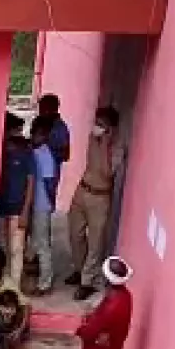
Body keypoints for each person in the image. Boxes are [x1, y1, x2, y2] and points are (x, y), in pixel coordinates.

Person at [66, 106, 124, 300]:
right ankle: (80, 268)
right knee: (75, 234)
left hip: (100, 197)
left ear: (110, 129)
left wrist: (105, 146)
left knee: (95, 242)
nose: (96, 127)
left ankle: (87, 281)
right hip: (83, 190)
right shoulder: (92, 139)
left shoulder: (117, 148)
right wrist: (98, 142)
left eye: (101, 125)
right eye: (96, 123)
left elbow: (107, 173)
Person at [0, 113, 37, 285]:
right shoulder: (0, 153)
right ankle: (3, 283)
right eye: (16, 130)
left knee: (16, 249)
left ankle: (13, 287)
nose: (18, 133)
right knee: (2, 247)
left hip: (18, 208)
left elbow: (31, 183)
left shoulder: (26, 154)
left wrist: (25, 211)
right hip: (1, 207)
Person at [28, 114, 63, 294]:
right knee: (35, 241)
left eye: (40, 134)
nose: (36, 136)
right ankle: (36, 276)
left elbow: (50, 183)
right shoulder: (32, 150)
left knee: (42, 244)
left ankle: (45, 283)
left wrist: (50, 201)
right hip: (32, 204)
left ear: (46, 135)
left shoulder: (46, 155)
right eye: (35, 132)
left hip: (42, 204)